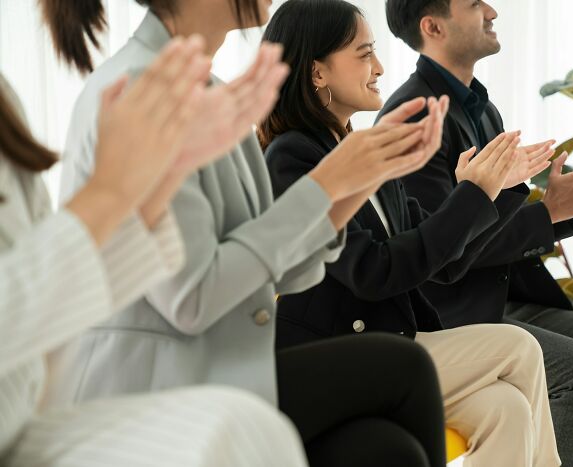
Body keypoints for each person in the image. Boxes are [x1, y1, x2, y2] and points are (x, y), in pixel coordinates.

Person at [41, 1, 450, 466]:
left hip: (219, 370)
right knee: (406, 368)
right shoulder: (143, 90)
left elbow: (276, 270)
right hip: (157, 390)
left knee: (387, 450)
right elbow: (194, 299)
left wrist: (358, 181)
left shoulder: (210, 92)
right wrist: (328, 183)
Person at [262, 1, 561, 465]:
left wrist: (489, 189)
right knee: (519, 345)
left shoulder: (358, 146)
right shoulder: (294, 157)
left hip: (395, 340)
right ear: (317, 72)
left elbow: (447, 262)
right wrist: (472, 194)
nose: (379, 67)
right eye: (364, 55)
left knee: (508, 411)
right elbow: (374, 272)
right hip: (343, 358)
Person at [0, 38, 308, 467]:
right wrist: (111, 192)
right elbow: (194, 299)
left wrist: (167, 170)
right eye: (364, 54)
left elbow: (47, 299)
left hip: (23, 424)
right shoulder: (129, 80)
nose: (379, 70)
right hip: (58, 412)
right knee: (244, 434)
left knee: (261, 432)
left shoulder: (6, 101)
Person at [380, 1, 573, 465]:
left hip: (501, 296)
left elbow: (496, 217)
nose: (491, 10)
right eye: (473, 3)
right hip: (452, 313)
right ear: (433, 26)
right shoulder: (414, 117)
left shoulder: (479, 107)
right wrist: (549, 212)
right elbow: (444, 253)